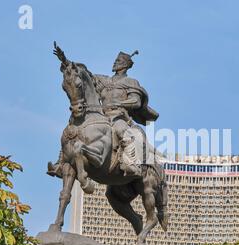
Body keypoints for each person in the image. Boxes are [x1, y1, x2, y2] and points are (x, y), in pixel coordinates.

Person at [47, 50, 159, 178]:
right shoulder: (104, 80)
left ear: (126, 65)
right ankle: (61, 163)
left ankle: (131, 164)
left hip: (119, 117)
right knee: (72, 127)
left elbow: (136, 101)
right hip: (101, 116)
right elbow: (85, 75)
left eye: (118, 61)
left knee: (122, 131)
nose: (115, 63)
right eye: (115, 61)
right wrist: (65, 61)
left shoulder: (131, 82)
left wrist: (120, 103)